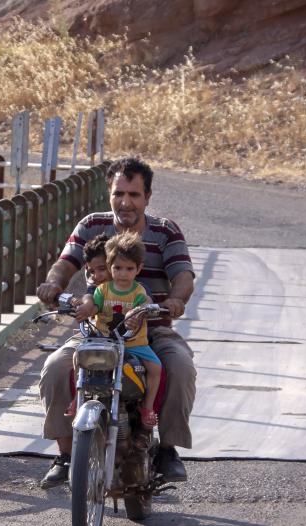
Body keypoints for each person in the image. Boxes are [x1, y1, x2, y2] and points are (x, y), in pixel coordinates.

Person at [36, 156, 196, 489]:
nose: (125, 202)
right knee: (54, 368)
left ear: (147, 197)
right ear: (109, 193)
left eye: (134, 195)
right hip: (97, 331)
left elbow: (183, 274)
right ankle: (66, 456)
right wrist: (53, 285)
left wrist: (176, 300)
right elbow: (65, 263)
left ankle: (167, 450)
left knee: (180, 367)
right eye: (118, 193)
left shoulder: (166, 232)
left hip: (151, 330)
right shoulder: (92, 225)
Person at [70, 232, 161, 429]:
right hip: (103, 341)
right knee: (78, 357)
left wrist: (139, 311)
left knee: (156, 367)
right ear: (111, 267)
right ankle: (76, 399)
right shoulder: (102, 290)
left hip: (133, 343)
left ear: (138, 269)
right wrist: (86, 310)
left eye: (129, 269)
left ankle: (147, 406)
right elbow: (95, 306)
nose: (123, 273)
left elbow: (146, 303)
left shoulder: (138, 291)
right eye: (117, 268)